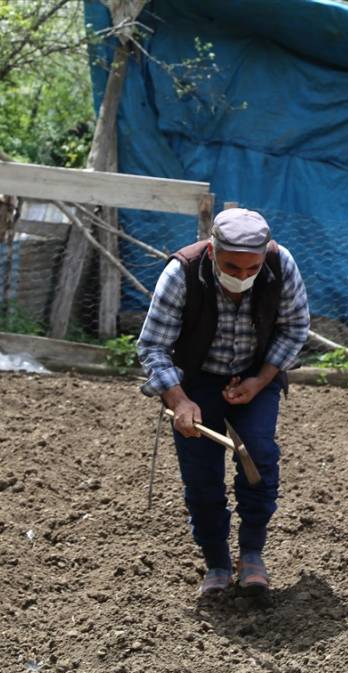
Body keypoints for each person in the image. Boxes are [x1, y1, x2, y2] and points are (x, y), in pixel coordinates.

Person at [138, 208, 309, 596]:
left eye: (252, 269)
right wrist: (179, 400)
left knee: (259, 456)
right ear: (213, 253)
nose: (242, 276)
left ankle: (252, 553)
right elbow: (153, 345)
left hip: (255, 374)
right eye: (232, 266)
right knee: (201, 474)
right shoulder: (182, 272)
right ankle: (215, 561)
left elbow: (296, 327)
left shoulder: (281, 267)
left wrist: (260, 379)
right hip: (195, 380)